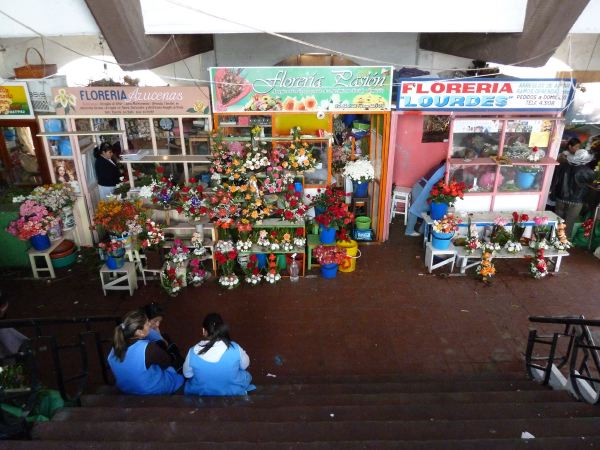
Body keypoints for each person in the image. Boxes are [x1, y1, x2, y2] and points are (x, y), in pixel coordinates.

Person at [107, 310, 184, 395]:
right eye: (147, 324)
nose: (150, 325)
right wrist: (158, 336)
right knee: (178, 368)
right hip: (150, 390)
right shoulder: (149, 349)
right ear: (140, 332)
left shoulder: (115, 347)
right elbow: (167, 362)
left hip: (126, 389)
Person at [183, 313, 255, 396]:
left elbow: (187, 374)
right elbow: (245, 365)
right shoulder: (234, 347)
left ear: (204, 331)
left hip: (201, 392)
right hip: (232, 391)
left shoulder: (192, 351)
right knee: (246, 375)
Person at [551, 145, 595, 236]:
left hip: (561, 197)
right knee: (568, 225)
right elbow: (590, 183)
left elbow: (555, 181)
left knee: (557, 221)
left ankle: (551, 239)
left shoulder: (562, 167)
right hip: (577, 201)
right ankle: (562, 244)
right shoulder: (588, 171)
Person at [142, 302, 184, 371]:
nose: (158, 324)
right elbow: (164, 343)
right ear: (147, 319)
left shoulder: (140, 324)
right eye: (155, 321)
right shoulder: (151, 333)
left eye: (159, 321)